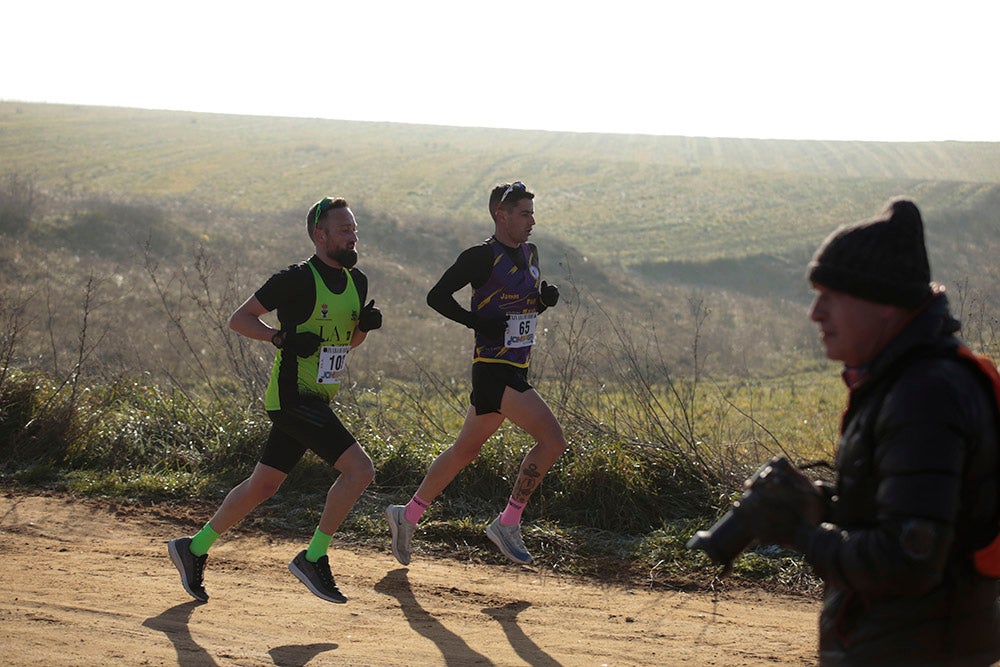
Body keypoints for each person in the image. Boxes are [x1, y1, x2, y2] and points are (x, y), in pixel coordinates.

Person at [731, 198, 1000, 665]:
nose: (815, 313)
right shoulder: (905, 379)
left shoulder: (925, 395)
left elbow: (907, 560)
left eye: (831, 295)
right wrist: (824, 503)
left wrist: (801, 533)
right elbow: (916, 515)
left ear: (884, 305)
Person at [168, 196, 383, 604]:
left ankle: (192, 548)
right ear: (320, 235)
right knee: (359, 470)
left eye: (354, 229)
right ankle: (313, 557)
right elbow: (240, 319)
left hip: (319, 395)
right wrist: (279, 337)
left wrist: (364, 329)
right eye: (344, 230)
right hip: (292, 397)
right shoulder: (296, 279)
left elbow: (347, 342)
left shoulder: (358, 282)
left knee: (264, 485)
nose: (354, 237)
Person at [385, 181, 567, 566]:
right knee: (552, 442)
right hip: (494, 371)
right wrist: (475, 323)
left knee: (464, 451)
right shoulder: (480, 256)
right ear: (501, 215)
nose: (532, 221)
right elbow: (437, 296)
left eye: (533, 213)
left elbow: (520, 309)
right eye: (524, 213)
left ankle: (408, 515)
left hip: (516, 365)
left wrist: (542, 302)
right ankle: (508, 521)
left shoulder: (531, 253)